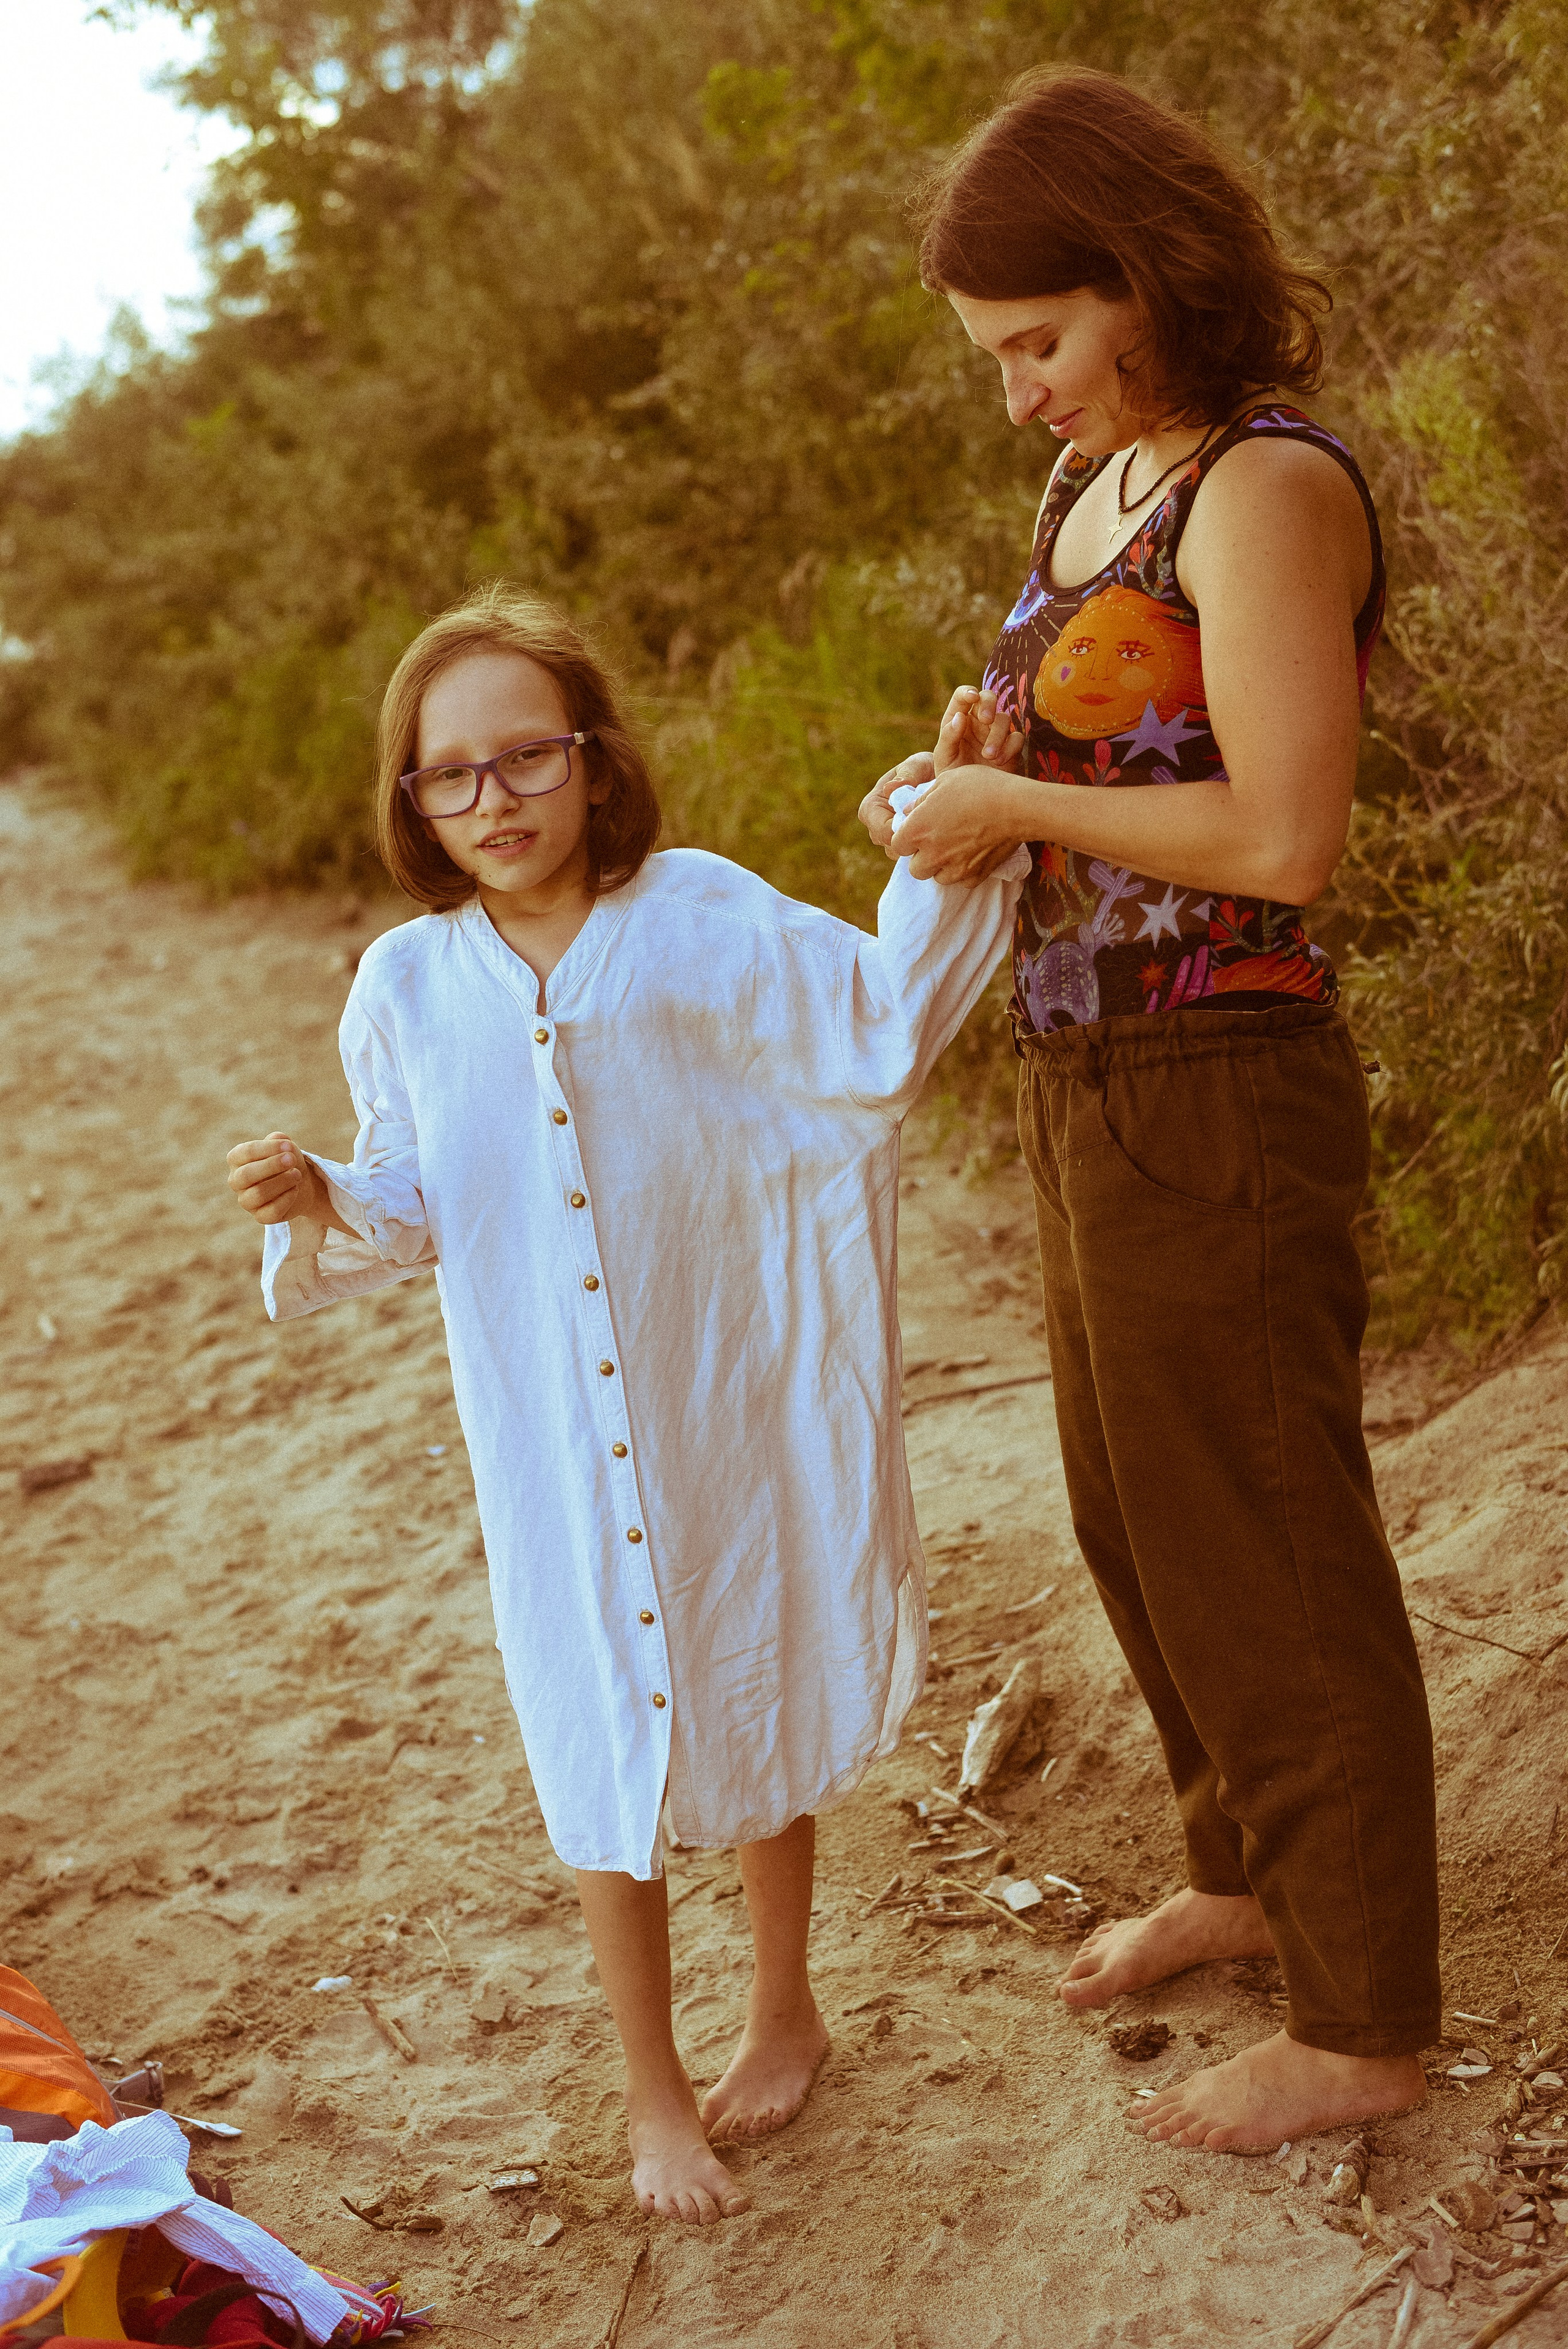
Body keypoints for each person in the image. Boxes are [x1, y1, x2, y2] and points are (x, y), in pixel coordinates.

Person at [225, 582, 1028, 2223]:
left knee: (745, 1661)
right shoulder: (406, 982)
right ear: (412, 803)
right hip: (550, 1443)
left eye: (525, 755)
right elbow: (420, 1202)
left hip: (713, 1385)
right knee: (598, 1731)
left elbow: (873, 1030)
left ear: (594, 761)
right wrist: (322, 1188)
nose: (492, 798)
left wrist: (951, 843)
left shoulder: (704, 915)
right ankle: (653, 2089)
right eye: (450, 775)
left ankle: (785, 2000)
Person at [859, 66, 1440, 2155]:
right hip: (1079, 1064)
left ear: (1144, 278)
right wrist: (970, 772)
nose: (1019, 396)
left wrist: (1018, 798)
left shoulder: (1267, 490)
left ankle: (1371, 2020)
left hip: (1227, 1072)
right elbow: (1109, 766)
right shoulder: (1093, 492)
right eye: (998, 358)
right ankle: (1253, 1874)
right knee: (1141, 1509)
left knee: (1267, 1532)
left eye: (1039, 344)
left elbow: (1288, 834)